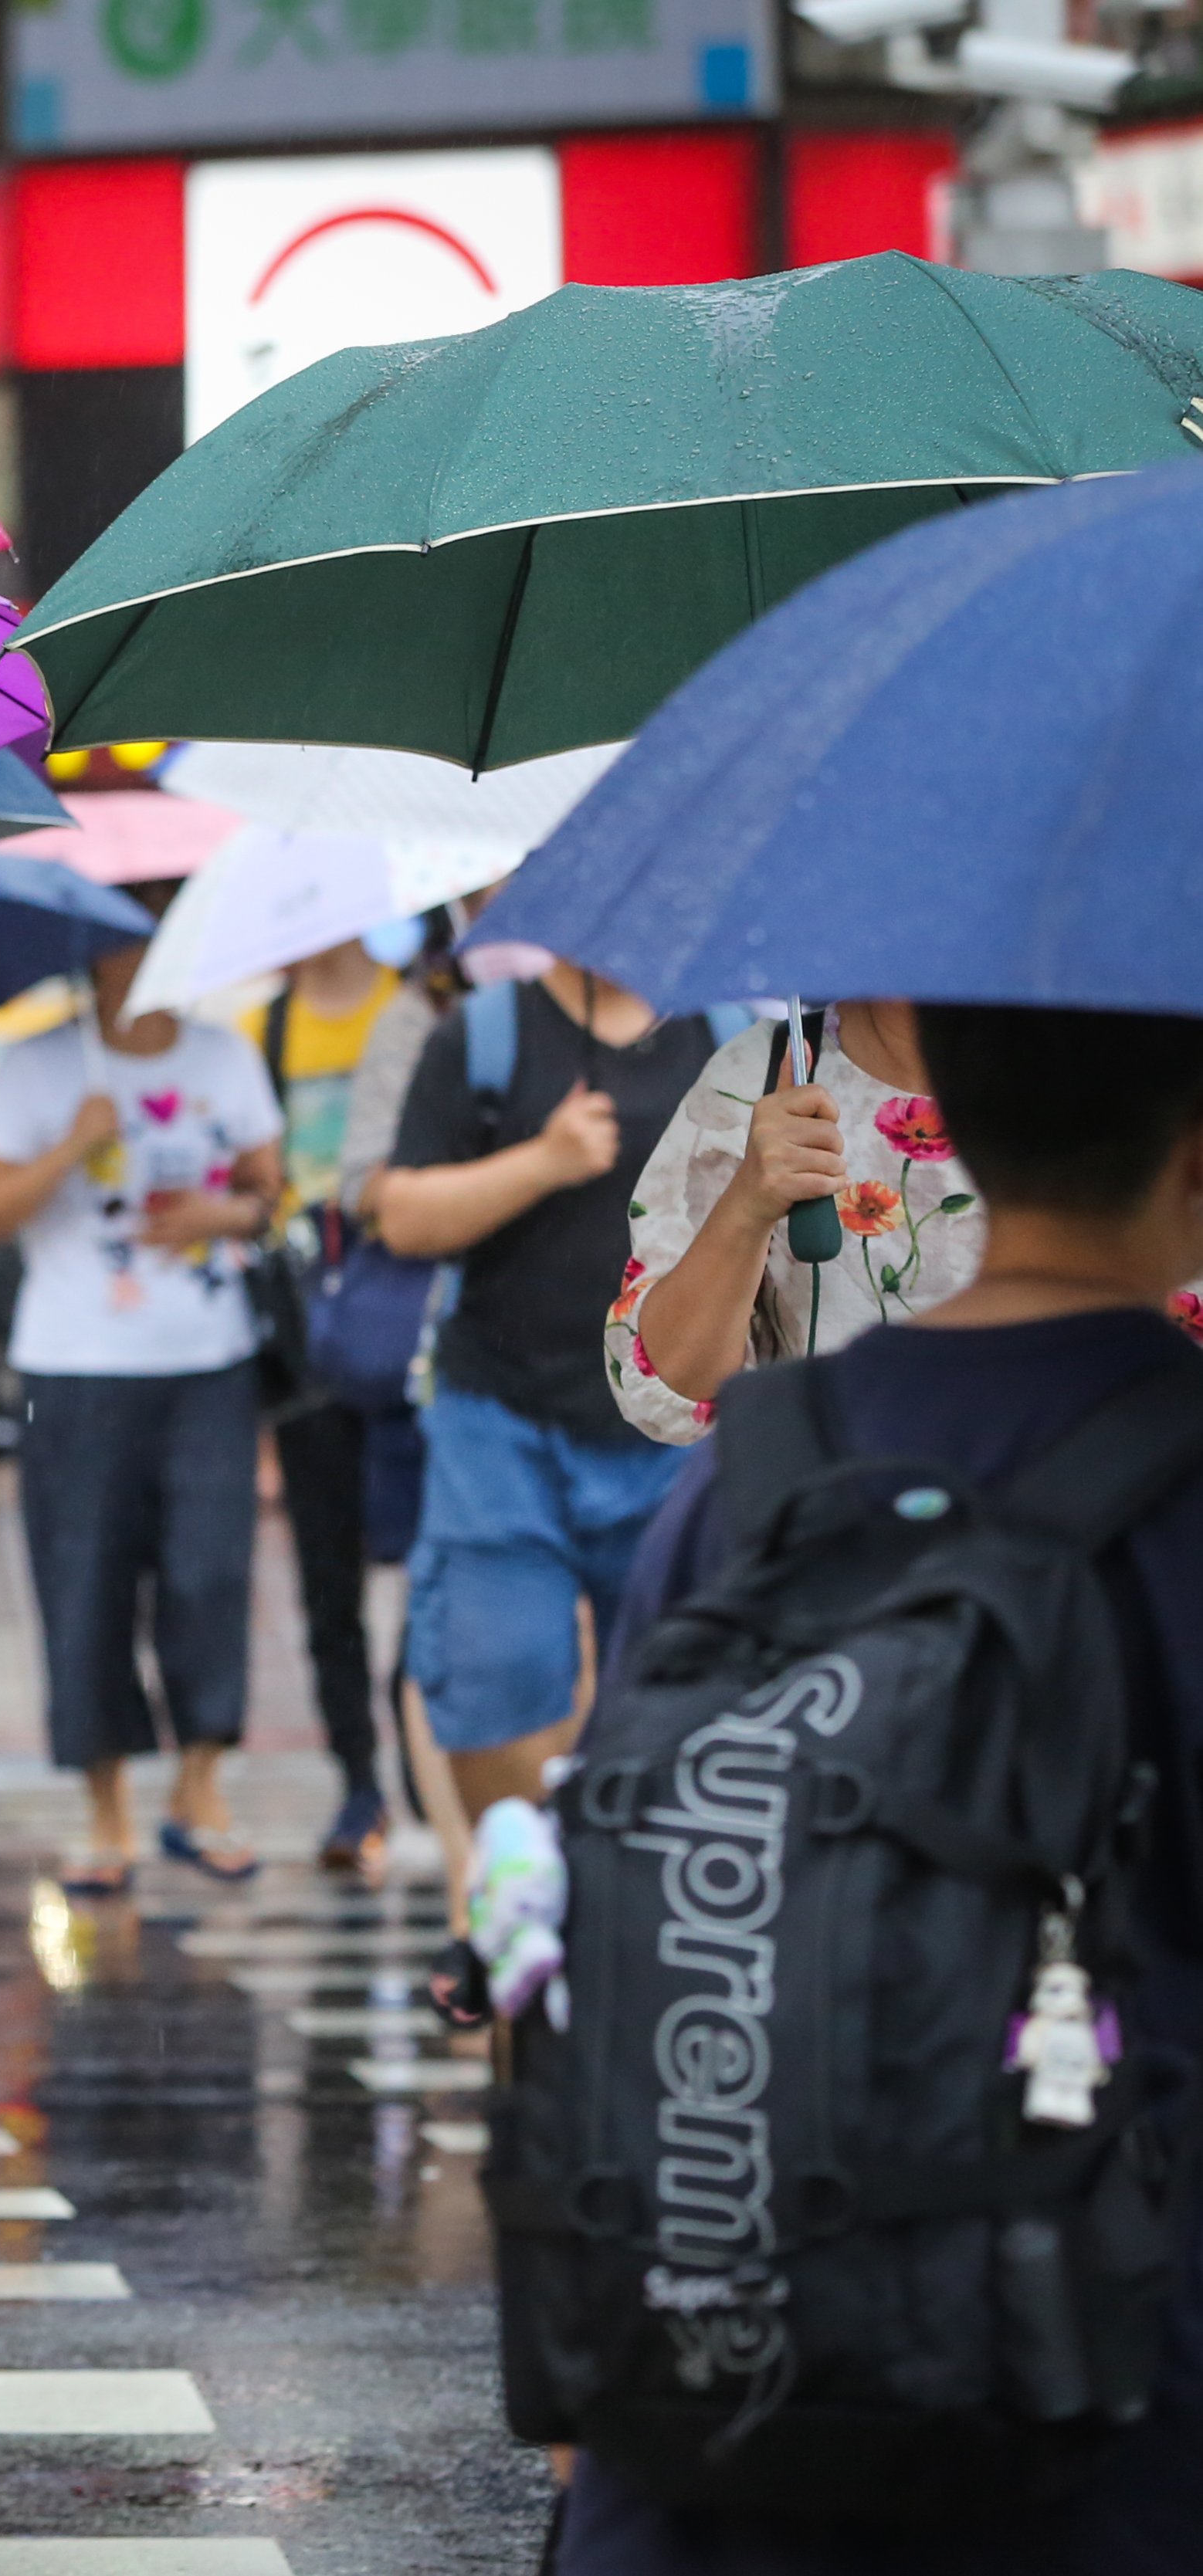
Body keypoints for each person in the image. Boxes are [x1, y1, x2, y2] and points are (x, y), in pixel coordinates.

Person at [563, 999, 1203, 2576]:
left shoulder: (739, 1498)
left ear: (961, 1127)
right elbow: (651, 1364)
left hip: (761, 2384)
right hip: (1117, 2376)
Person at [0, 908, 286, 1891]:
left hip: (208, 1361)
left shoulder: (227, 1058)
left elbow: (272, 1193)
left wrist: (218, 1212)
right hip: (74, 1366)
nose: (148, 958)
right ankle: (105, 1813)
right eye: (131, 936)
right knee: (85, 1582)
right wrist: (70, 1147)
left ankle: (200, 1785)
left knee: (208, 1573)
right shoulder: (38, 1067)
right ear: (90, 950)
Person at [371, 954, 723, 1823]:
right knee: (497, 1670)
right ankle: (520, 1909)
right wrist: (543, 1161)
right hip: (501, 1418)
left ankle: (625, 1905)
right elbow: (402, 1217)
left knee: (678, 1683)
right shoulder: (483, 1034)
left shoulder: (729, 1035)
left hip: (677, 1425)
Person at [261, 936, 407, 1880]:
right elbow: (247, 1174)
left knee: (425, 1560)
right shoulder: (262, 1027)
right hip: (307, 1342)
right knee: (328, 1583)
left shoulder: (412, 1008)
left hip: (402, 1322)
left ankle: (429, 1757)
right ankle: (360, 1778)